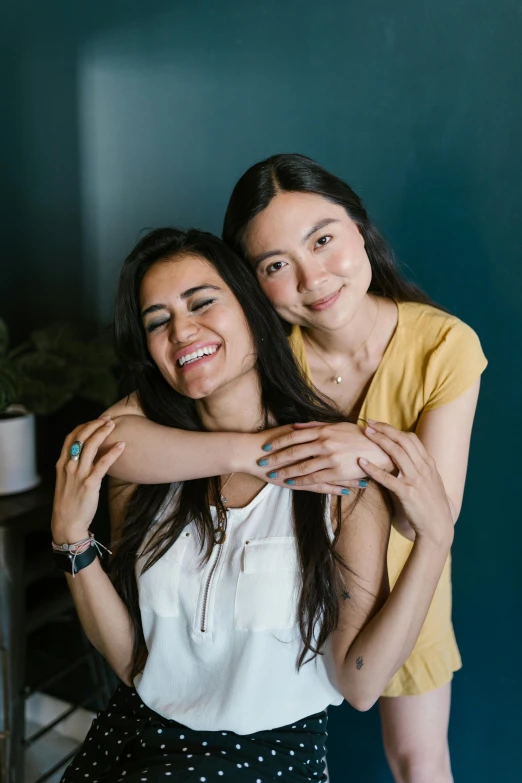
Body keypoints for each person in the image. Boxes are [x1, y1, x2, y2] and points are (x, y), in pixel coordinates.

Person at [101, 156, 487, 783]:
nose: (312, 276)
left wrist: (356, 447)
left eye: (323, 238)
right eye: (276, 264)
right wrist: (256, 452)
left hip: (406, 577)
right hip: (291, 585)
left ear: (360, 228)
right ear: (252, 285)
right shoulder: (263, 346)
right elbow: (116, 433)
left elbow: (429, 519)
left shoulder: (443, 344)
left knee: (419, 759)